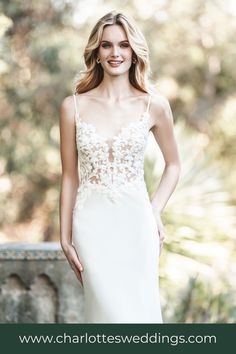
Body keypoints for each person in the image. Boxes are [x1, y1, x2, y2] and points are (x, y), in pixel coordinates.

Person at [59, 10, 181, 323]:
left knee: (138, 316)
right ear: (96, 54)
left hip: (137, 225)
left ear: (134, 51)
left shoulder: (154, 104)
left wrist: (154, 210)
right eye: (107, 46)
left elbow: (173, 165)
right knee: (105, 317)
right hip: (91, 226)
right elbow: (70, 176)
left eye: (124, 45)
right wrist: (64, 236)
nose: (116, 53)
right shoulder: (72, 107)